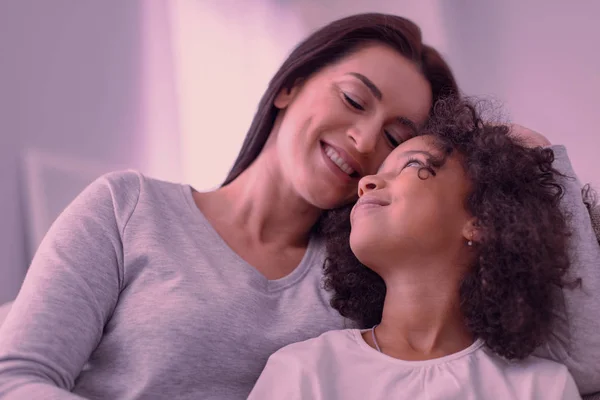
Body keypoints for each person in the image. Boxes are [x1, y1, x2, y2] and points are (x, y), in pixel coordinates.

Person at [0, 13, 597, 399]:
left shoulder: (366, 287)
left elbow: (586, 363)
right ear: (289, 84)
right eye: (352, 98)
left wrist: (543, 160)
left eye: (397, 138)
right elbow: (18, 376)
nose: (364, 142)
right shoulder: (126, 208)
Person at [248, 99, 582, 399]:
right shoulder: (303, 371)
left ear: (483, 219)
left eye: (410, 165)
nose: (366, 183)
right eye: (376, 174)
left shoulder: (540, 388)